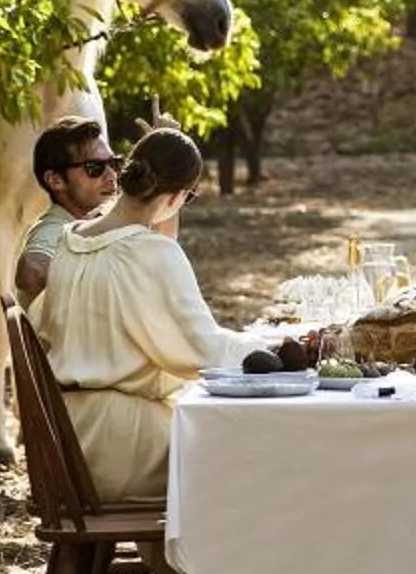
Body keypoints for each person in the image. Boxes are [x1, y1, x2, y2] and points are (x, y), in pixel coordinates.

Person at [30, 126, 258, 501]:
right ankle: (201, 560)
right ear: (177, 197)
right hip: (118, 446)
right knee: (249, 454)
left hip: (64, 440)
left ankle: (170, 559)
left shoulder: (69, 242)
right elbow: (203, 351)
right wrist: (275, 351)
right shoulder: (151, 253)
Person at [14, 115, 122, 306]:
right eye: (94, 167)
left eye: (113, 164)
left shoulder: (95, 222)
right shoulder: (54, 227)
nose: (111, 176)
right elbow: (30, 274)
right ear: (56, 181)